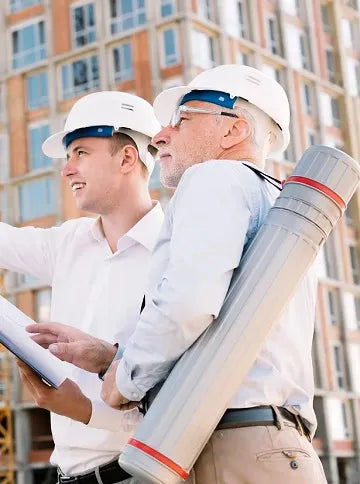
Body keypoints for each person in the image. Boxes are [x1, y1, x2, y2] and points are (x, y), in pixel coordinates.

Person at [28, 65, 327, 483]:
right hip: (276, 447)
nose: (162, 136)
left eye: (183, 120)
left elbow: (189, 303)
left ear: (233, 132)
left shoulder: (215, 176)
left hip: (236, 447)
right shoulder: (274, 203)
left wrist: (123, 381)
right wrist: (110, 357)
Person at [3, 91, 164, 483]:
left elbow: (180, 403)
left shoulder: (177, 253)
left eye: (80, 153)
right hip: (68, 474)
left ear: (127, 158)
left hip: (134, 476)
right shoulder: (69, 242)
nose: (66, 170)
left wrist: (85, 409)